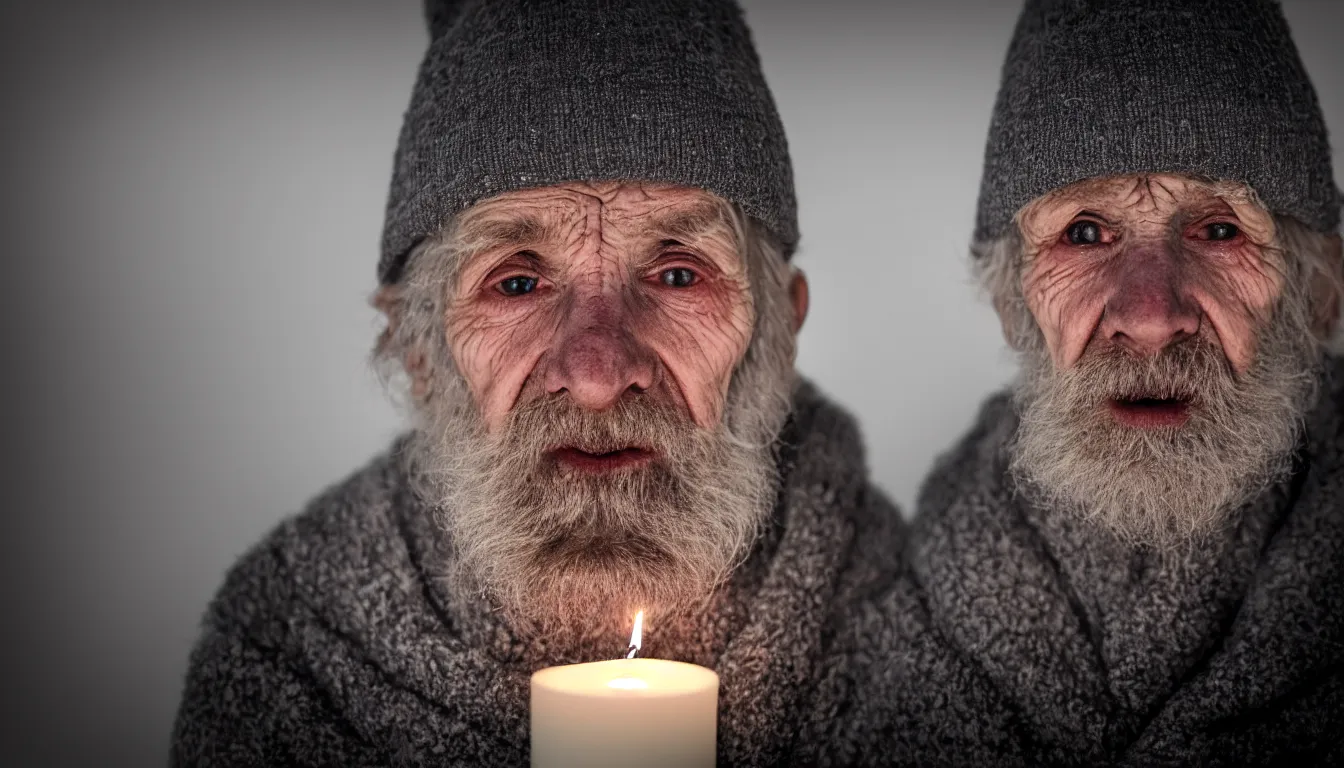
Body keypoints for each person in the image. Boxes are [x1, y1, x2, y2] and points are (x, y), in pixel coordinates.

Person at [170, 1, 903, 765]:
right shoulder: (287, 652)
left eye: (679, 273)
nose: (595, 376)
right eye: (516, 284)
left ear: (777, 337)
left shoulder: (903, 608)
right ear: (417, 350)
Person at [806, 0, 1344, 764]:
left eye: (1220, 229)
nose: (1151, 314)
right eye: (1085, 232)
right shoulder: (899, 597)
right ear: (1011, 302)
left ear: (1321, 293)